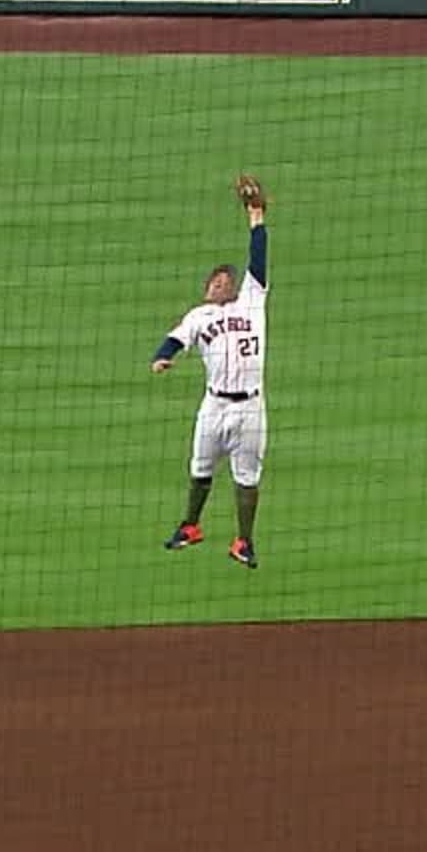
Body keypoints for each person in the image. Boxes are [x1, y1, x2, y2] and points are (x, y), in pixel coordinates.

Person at [153, 176, 272, 569]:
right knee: (200, 468)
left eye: (225, 282)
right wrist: (163, 357)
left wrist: (256, 216)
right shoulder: (199, 316)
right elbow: (175, 339)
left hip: (250, 407)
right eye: (215, 282)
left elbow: (258, 259)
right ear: (206, 289)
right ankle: (191, 526)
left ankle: (244, 542)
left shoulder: (251, 302)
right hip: (215, 405)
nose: (221, 284)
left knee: (247, 477)